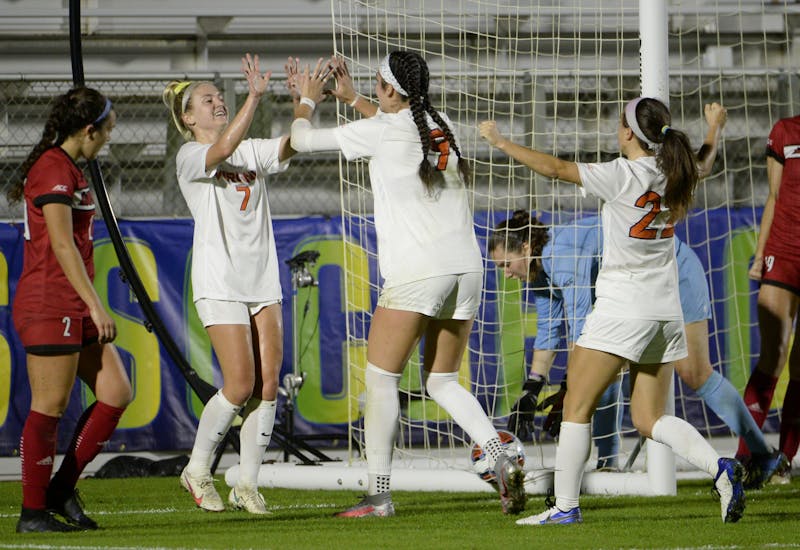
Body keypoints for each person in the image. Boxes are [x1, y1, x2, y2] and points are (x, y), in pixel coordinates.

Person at [480, 96, 746, 525]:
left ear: (628, 133)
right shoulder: (673, 170)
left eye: (619, 121)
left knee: (575, 409)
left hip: (624, 306)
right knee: (648, 417)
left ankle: (565, 508)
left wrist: (501, 142)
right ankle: (720, 468)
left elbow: (555, 169)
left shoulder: (621, 174)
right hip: (665, 310)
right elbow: (704, 163)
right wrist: (714, 128)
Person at [286, 51, 526, 517]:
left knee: (380, 379)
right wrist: (355, 97)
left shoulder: (383, 130)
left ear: (391, 90)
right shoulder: (441, 122)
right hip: (466, 268)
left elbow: (301, 140)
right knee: (441, 380)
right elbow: (396, 127)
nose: (374, 88)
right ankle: (498, 456)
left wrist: (306, 100)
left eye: (377, 83)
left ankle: (378, 495)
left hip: (419, 270)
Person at [491, 210, 787, 486]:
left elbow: (581, 326)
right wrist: (532, 388)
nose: (506, 273)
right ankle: (608, 464)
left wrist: (571, 385)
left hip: (673, 272)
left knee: (695, 372)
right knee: (603, 368)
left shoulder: (562, 253)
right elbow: (548, 331)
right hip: (640, 291)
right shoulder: (540, 272)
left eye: (506, 264)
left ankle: (763, 453)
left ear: (527, 247)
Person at [162, 53, 295, 514]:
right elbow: (219, 152)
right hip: (219, 281)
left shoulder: (249, 148)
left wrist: (304, 106)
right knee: (239, 383)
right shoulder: (189, 155)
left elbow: (290, 146)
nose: (217, 102)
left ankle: (247, 484)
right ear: (187, 117)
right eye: (207, 99)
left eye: (220, 97)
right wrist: (254, 97)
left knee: (268, 384)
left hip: (262, 278)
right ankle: (198, 469)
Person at [7, 87, 132, 532]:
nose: (108, 140)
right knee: (49, 407)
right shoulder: (51, 170)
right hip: (49, 301)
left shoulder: (68, 169)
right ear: (88, 130)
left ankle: (59, 489)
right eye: (106, 132)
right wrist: (96, 306)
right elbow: (61, 243)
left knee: (116, 392)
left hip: (70, 301)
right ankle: (32, 512)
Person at [738, 112, 800, 484]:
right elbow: (775, 195)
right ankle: (745, 459)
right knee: (772, 356)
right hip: (784, 251)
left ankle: (784, 460)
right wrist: (761, 255)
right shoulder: (785, 131)